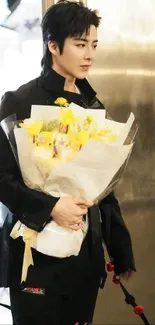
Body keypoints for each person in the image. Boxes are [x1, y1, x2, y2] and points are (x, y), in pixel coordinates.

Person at [0, 1, 136, 324]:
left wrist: (120, 249)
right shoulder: (18, 102)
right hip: (34, 260)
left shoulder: (93, 107)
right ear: (53, 46)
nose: (89, 54)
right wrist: (51, 207)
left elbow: (103, 187)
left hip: (83, 262)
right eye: (79, 44)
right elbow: (2, 179)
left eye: (93, 45)